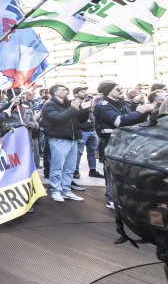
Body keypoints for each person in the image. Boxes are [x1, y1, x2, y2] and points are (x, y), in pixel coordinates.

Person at [95, 80, 154, 208]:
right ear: (109, 92)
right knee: (112, 170)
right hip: (111, 142)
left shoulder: (122, 104)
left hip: (124, 142)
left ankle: (120, 196)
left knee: (124, 171)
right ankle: (112, 198)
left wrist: (144, 112)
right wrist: (139, 111)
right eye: (118, 89)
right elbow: (119, 121)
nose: (121, 91)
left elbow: (133, 121)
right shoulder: (103, 105)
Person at [40, 84, 91, 203]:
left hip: (72, 138)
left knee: (70, 168)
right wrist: (73, 109)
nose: (67, 92)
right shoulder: (49, 105)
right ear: (56, 93)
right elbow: (57, 119)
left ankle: (66, 190)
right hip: (59, 139)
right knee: (57, 167)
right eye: (63, 90)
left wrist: (84, 110)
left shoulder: (69, 104)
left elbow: (80, 120)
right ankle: (56, 191)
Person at [71, 87, 99, 180]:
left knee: (92, 151)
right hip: (82, 131)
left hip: (92, 130)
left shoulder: (88, 102)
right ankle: (75, 170)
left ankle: (93, 170)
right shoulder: (74, 104)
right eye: (82, 92)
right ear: (75, 94)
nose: (85, 93)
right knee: (79, 152)